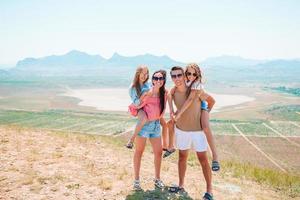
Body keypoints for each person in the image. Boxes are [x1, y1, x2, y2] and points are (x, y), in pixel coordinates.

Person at [168, 66, 214, 200]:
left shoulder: (196, 89)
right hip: (182, 130)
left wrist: (205, 114)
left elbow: (211, 101)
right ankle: (181, 184)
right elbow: (170, 98)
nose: (176, 78)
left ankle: (209, 190)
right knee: (182, 157)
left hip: (198, 131)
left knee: (203, 160)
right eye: (173, 76)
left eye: (179, 75)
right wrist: (172, 112)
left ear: (184, 76)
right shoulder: (173, 91)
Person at [169, 63, 219, 171]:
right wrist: (172, 110)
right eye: (188, 73)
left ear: (197, 75)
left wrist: (204, 112)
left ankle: (215, 157)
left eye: (194, 74)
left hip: (203, 106)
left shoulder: (197, 84)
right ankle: (170, 146)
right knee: (170, 123)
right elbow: (173, 92)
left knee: (205, 127)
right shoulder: (186, 82)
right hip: (194, 106)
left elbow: (191, 100)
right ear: (185, 74)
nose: (191, 76)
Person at [132, 70, 168, 191]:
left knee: (158, 152)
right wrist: (138, 113)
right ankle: (136, 180)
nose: (158, 80)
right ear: (152, 80)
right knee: (139, 152)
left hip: (156, 126)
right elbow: (137, 106)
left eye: (161, 78)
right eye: (156, 78)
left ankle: (157, 179)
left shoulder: (165, 93)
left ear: (164, 81)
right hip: (144, 126)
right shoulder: (147, 93)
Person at [126, 65, 168, 151]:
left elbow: (154, 91)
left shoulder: (148, 83)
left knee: (163, 122)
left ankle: (166, 145)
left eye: (146, 74)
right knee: (144, 119)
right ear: (138, 74)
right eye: (142, 73)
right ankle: (131, 140)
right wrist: (143, 96)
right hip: (139, 108)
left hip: (147, 106)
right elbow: (136, 103)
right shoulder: (133, 87)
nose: (144, 76)